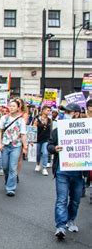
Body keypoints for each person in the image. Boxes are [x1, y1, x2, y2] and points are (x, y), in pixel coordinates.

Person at [47, 103, 87, 240]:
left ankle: (71, 220)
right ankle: (60, 226)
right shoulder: (59, 129)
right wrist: (55, 148)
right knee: (61, 199)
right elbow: (49, 145)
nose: (66, 114)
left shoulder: (87, 128)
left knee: (75, 200)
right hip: (62, 170)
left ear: (76, 113)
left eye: (69, 112)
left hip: (78, 171)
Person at [0, 100, 27, 197]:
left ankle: (11, 188)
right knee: (5, 167)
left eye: (14, 106)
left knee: (13, 168)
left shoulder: (21, 120)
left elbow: (23, 134)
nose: (11, 108)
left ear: (18, 107)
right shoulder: (4, 118)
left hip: (16, 146)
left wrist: (25, 146)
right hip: (5, 145)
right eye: (10, 106)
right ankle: (8, 180)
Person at [32, 105, 52, 176]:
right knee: (37, 154)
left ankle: (44, 168)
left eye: (49, 110)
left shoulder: (49, 120)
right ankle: (38, 164)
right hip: (37, 139)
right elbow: (33, 130)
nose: (49, 112)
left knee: (45, 153)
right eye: (47, 110)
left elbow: (50, 130)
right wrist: (31, 140)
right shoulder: (37, 119)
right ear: (43, 110)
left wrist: (51, 138)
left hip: (46, 139)